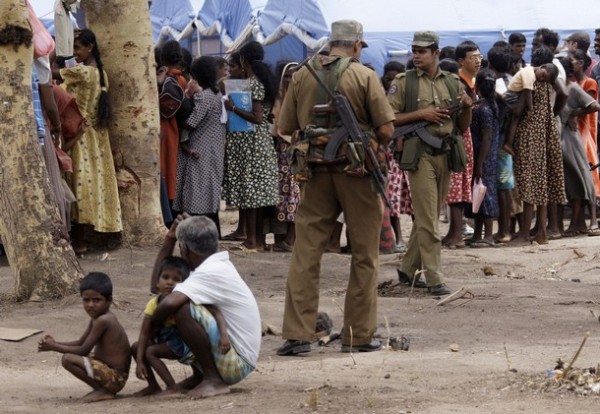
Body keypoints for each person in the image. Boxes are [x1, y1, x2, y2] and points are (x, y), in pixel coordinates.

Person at [275, 19, 395, 356]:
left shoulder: (301, 74)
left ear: (331, 43)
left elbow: (285, 126)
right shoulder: (363, 75)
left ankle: (298, 334)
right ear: (356, 44)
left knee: (305, 252)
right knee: (364, 256)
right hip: (357, 175)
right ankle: (357, 335)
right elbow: (386, 130)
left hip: (314, 174)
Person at [388, 31, 473, 295]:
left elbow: (462, 125)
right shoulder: (404, 82)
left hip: (444, 153)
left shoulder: (452, 82)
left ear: (436, 53)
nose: (416, 55)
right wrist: (421, 114)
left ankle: (408, 268)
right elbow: (388, 117)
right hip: (419, 154)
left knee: (429, 216)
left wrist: (468, 106)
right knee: (428, 219)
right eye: (414, 50)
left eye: (422, 51)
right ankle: (435, 278)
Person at [151, 215, 261, 398]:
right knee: (175, 303)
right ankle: (201, 375)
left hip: (237, 363)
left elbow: (167, 303)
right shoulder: (212, 266)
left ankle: (213, 379)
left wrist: (150, 329)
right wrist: (170, 239)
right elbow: (157, 289)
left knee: (181, 308)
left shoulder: (210, 272)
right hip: (235, 356)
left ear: (184, 249)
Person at [60, 29, 122, 253]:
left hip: (81, 135)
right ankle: (85, 238)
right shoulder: (101, 75)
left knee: (78, 184)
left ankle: (79, 241)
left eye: (77, 47)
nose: (74, 52)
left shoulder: (83, 72)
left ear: (90, 48)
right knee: (92, 184)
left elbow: (53, 76)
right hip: (97, 136)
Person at [38, 272, 131, 403]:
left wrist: (53, 347)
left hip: (116, 378)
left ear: (109, 300)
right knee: (73, 356)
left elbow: (83, 350)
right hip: (109, 372)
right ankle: (101, 389)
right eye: (86, 300)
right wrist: (55, 342)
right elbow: (80, 342)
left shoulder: (104, 320)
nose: (90, 305)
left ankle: (103, 390)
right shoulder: (97, 318)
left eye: (96, 300)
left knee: (68, 359)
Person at [222, 41, 279, 251]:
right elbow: (264, 114)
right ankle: (254, 238)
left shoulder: (254, 83)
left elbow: (256, 117)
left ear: (244, 60)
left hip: (251, 144)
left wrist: (233, 108)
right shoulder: (264, 81)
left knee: (251, 192)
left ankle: (252, 240)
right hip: (257, 142)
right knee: (253, 192)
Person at [172, 56, 227, 236]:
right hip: (215, 147)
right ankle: (213, 228)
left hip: (199, 147)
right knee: (210, 188)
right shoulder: (217, 93)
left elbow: (192, 122)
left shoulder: (203, 96)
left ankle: (194, 229)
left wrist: (178, 116)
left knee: (195, 189)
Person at [556, 57, 600, 237]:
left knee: (577, 178)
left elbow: (594, 105)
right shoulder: (558, 89)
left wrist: (575, 113)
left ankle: (580, 223)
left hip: (571, 139)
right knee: (571, 181)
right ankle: (577, 223)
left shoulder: (572, 88)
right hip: (563, 137)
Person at [442, 40, 479, 249]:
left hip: (459, 141)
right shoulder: (462, 85)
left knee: (456, 188)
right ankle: (453, 232)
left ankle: (456, 234)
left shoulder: (460, 88)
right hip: (459, 140)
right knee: (455, 188)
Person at [468, 69, 501, 247]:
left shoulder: (485, 109)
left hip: (484, 157)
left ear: (477, 86)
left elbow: (486, 138)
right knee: (477, 195)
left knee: (485, 194)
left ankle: (488, 235)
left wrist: (479, 163)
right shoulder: (487, 105)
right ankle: (477, 234)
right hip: (482, 156)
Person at [501, 62, 559, 156]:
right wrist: (530, 110)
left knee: (514, 119)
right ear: (542, 66)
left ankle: (508, 143)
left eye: (544, 80)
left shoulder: (532, 74)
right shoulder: (529, 73)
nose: (541, 79)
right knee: (516, 116)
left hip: (514, 95)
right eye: (543, 75)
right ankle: (508, 143)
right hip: (511, 96)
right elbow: (528, 92)